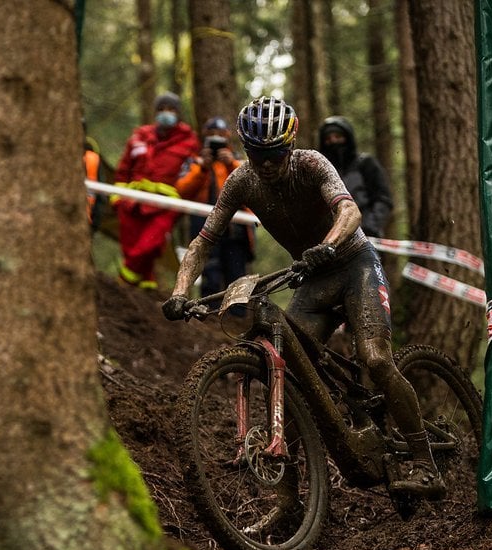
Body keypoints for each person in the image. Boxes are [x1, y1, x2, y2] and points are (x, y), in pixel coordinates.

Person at [161, 96, 442, 499]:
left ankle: (425, 462)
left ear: (289, 147)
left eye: (275, 154)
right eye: (258, 155)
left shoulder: (312, 163)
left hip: (353, 264)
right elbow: (203, 242)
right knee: (291, 384)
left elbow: (350, 212)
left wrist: (327, 245)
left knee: (377, 359)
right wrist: (179, 292)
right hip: (312, 279)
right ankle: (289, 500)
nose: (267, 164)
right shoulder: (241, 181)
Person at [112, 92, 201, 289]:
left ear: (178, 114)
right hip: (132, 203)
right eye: (161, 110)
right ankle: (147, 285)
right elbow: (123, 169)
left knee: (150, 245)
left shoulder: (189, 142)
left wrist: (181, 203)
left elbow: (193, 177)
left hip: (165, 206)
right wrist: (117, 199)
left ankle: (123, 282)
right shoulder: (139, 137)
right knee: (131, 247)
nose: (165, 114)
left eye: (170, 110)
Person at [175, 116, 254, 298]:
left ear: (227, 137)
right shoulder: (195, 162)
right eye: (211, 135)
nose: (217, 139)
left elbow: (252, 185)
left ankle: (238, 317)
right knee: (209, 272)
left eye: (220, 135)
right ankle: (207, 314)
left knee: (237, 276)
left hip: (236, 230)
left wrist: (231, 164)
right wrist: (203, 167)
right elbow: (182, 190)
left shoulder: (241, 162)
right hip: (205, 227)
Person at [317, 116, 393, 238]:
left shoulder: (366, 163)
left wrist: (369, 227)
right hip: (329, 238)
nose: (333, 141)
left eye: (338, 137)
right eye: (328, 139)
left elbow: (383, 199)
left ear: (347, 137)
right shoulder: (319, 170)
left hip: (366, 236)